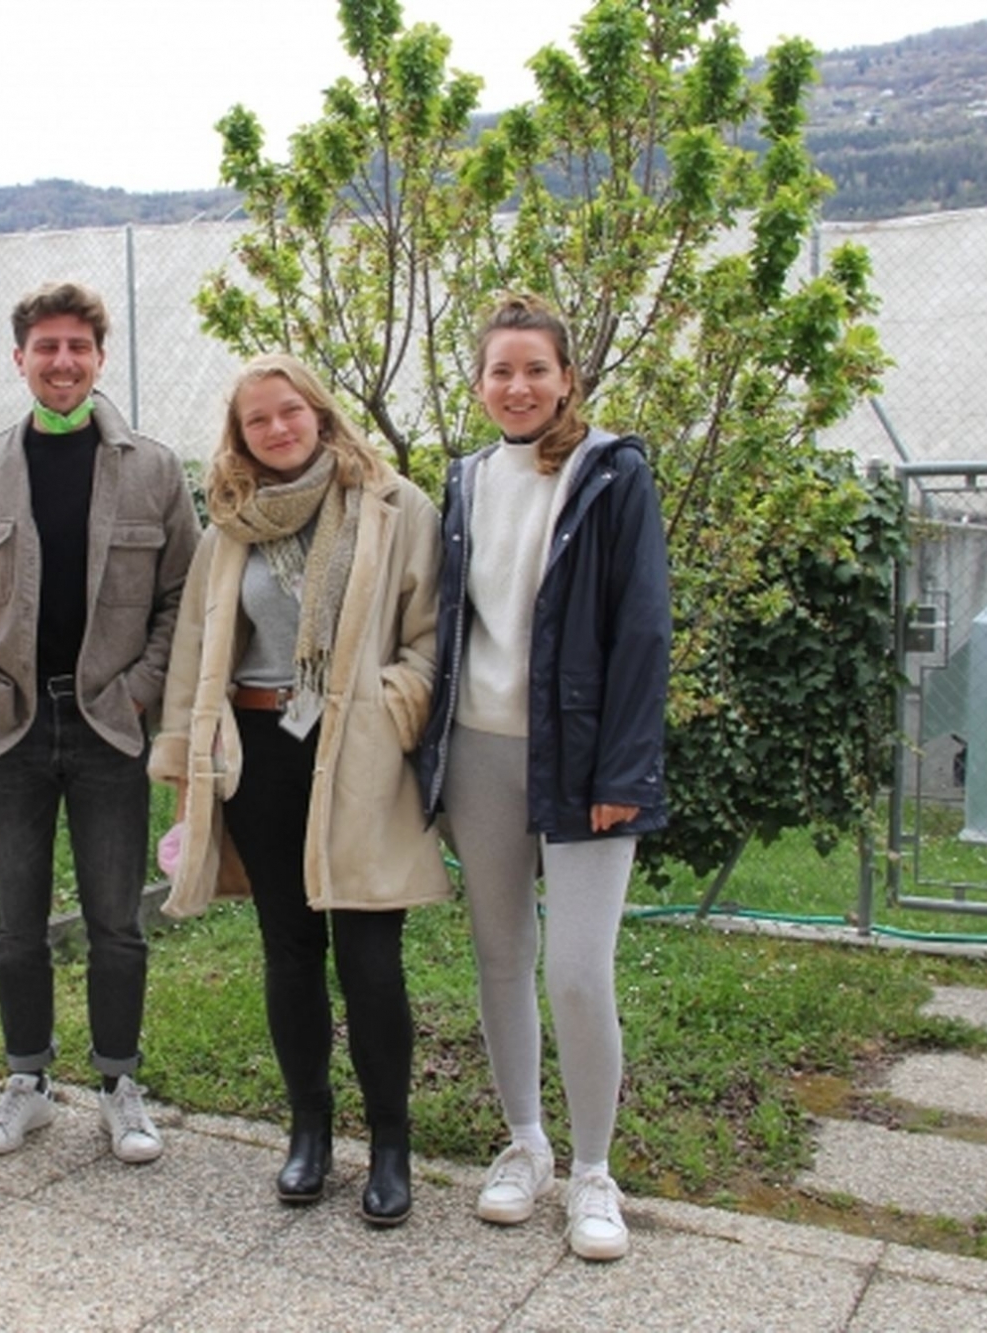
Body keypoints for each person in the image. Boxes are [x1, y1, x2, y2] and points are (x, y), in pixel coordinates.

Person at [150, 354, 448, 1227]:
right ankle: (309, 1132)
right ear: (238, 436)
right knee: (289, 949)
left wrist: (390, 709)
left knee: (369, 953)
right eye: (257, 421)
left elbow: (430, 636)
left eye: (291, 413)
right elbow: (197, 652)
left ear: (321, 413)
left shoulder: (396, 507)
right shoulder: (231, 526)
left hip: (356, 755)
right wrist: (183, 754)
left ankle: (390, 1145)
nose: (277, 430)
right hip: (259, 753)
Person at [416, 292, 671, 1261]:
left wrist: (621, 768)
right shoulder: (467, 479)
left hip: (580, 759)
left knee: (575, 970)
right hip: (478, 749)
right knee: (496, 954)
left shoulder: (611, 476)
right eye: (498, 370)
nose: (516, 385)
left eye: (534, 368)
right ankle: (523, 1142)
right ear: (478, 383)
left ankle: (593, 1170)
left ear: (566, 376)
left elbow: (641, 630)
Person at [0, 280, 200, 1163]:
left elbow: (180, 596)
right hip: (8, 722)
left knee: (117, 918)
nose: (63, 362)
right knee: (18, 921)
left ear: (100, 357)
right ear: (19, 359)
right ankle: (29, 1079)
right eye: (45, 347)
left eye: (78, 346)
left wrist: (142, 689)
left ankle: (121, 1083)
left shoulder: (152, 469)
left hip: (109, 724)